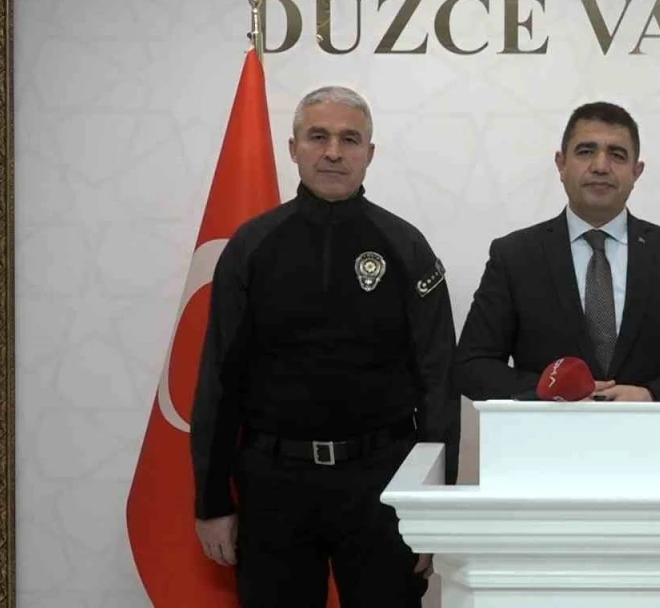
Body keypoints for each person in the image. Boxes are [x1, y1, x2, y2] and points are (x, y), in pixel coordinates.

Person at [189, 86, 458, 607]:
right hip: (274, 486)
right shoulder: (251, 247)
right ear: (293, 149)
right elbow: (219, 379)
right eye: (318, 137)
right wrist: (213, 500)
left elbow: (439, 383)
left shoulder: (406, 246)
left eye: (349, 139)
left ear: (369, 153)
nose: (334, 152)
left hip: (383, 485)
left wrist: (434, 510)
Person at [453, 101, 660, 402]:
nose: (601, 166)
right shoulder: (515, 256)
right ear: (561, 164)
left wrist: (651, 396)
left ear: (637, 171)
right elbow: (472, 366)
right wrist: (553, 393)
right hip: (548, 431)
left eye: (617, 155)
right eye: (586, 151)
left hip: (653, 431)